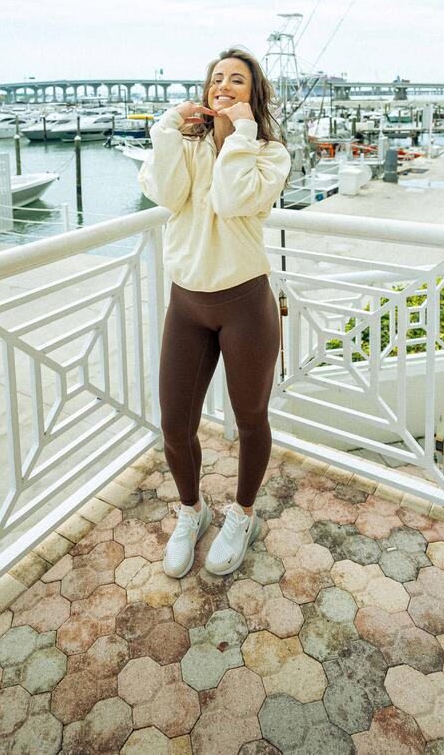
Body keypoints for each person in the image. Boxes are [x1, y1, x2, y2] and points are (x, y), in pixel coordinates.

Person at [137, 47, 291, 579]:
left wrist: (240, 136)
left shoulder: (269, 153)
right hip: (187, 303)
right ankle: (191, 510)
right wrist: (166, 128)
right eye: (217, 79)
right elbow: (162, 192)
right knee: (174, 424)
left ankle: (243, 514)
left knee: (250, 419)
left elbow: (231, 199)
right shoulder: (186, 145)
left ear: (255, 95)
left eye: (238, 81)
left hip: (245, 303)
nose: (224, 86)